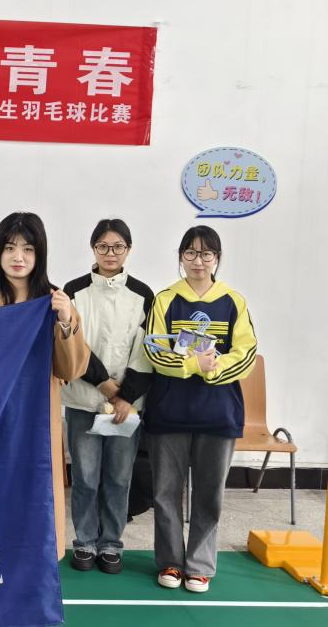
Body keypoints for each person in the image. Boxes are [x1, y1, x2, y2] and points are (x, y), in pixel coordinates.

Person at [0, 212, 89, 562]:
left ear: (39, 254)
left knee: (35, 490)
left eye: (28, 249)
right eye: (10, 247)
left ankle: (34, 564)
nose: (18, 257)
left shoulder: (54, 302)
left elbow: (71, 368)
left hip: (36, 420)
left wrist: (65, 322)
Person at [143, 225, 256, 593]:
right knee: (165, 493)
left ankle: (200, 565)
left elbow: (246, 353)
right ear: (181, 257)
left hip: (218, 414)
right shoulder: (165, 299)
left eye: (206, 254)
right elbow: (154, 351)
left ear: (217, 259)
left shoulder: (233, 301)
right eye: (190, 253)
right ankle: (171, 562)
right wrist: (194, 364)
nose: (198, 261)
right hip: (169, 412)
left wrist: (214, 368)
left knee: (209, 495)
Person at [61, 219, 154, 575]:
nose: (110, 253)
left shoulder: (143, 294)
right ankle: (85, 542)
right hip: (83, 399)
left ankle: (111, 544)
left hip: (126, 407)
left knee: (118, 477)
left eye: (117, 247)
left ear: (128, 250)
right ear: (93, 249)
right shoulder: (74, 291)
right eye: (103, 246)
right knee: (85, 477)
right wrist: (103, 384)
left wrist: (125, 395)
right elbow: (73, 344)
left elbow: (146, 349)